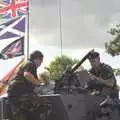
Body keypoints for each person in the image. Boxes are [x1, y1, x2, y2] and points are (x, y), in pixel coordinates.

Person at [7, 50, 44, 120]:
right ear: (36, 59)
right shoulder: (30, 64)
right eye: (41, 60)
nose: (41, 63)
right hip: (17, 93)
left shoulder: (29, 65)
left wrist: (39, 82)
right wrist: (38, 83)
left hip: (17, 92)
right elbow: (27, 75)